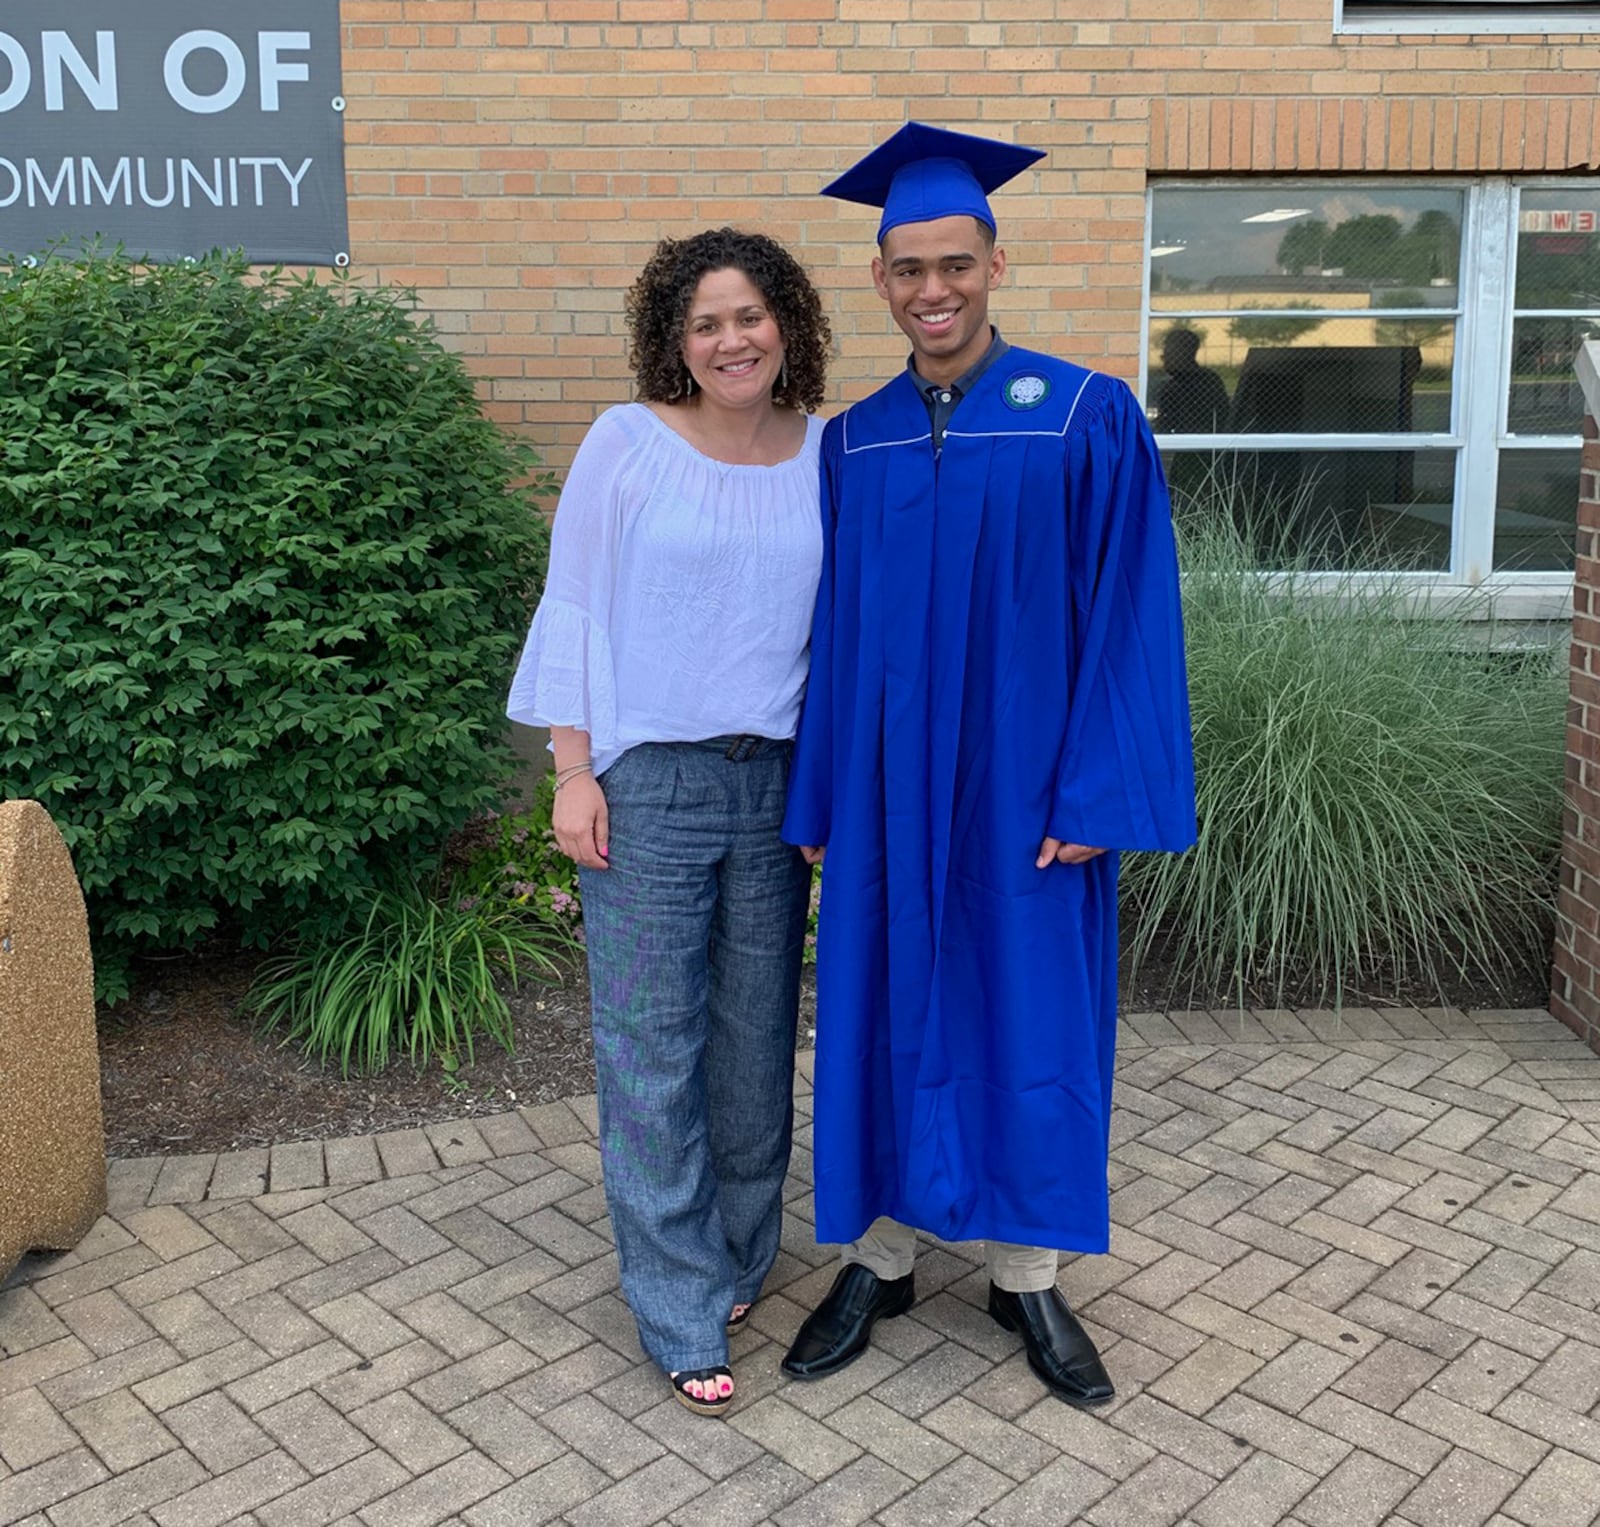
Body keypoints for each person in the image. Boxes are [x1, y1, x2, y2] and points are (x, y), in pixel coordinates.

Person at [779, 123, 1196, 1407]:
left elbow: (1132, 614)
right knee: (881, 999)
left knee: (1028, 1009)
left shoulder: (1083, 416)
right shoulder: (855, 443)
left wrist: (1097, 791)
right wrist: (822, 795)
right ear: (880, 279)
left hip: (1027, 794)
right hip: (892, 797)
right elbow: (834, 635)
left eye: (954, 264)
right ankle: (883, 1253)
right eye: (907, 270)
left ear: (996, 262)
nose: (933, 292)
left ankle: (1026, 1272)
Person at [507, 228, 831, 1417]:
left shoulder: (824, 454)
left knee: (753, 1044)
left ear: (785, 321)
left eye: (748, 316)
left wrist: (832, 790)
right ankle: (678, 1298)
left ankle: (742, 1256)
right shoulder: (625, 443)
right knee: (650, 1049)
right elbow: (578, 602)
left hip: (778, 786)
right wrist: (571, 768)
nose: (730, 339)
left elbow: (839, 639)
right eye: (704, 324)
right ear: (674, 341)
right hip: (647, 786)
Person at [1152, 326, 1231, 434]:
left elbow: (1165, 427)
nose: (1164, 358)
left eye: (1168, 353)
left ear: (1183, 354)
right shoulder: (1210, 380)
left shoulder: (1205, 383)